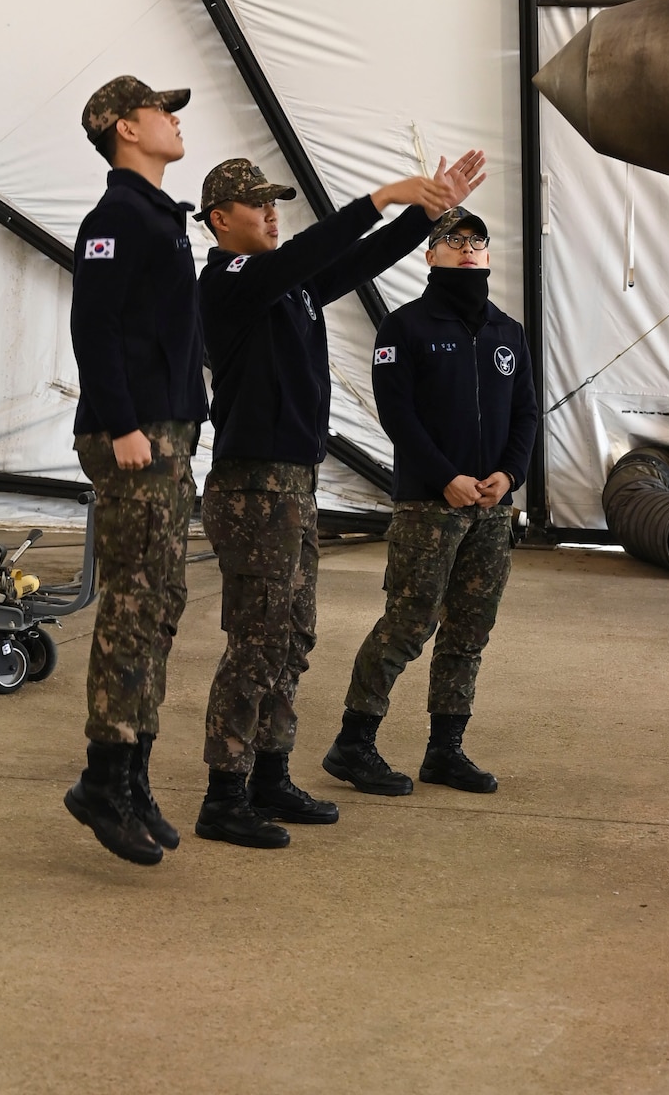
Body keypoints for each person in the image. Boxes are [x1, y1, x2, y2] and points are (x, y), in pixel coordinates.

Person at [194, 150, 486, 849]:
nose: (271, 213)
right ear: (219, 220)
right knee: (256, 642)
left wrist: (427, 214)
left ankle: (270, 774)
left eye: (275, 202)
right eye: (256, 204)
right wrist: (380, 198)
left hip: (293, 484)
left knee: (291, 638)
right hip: (253, 487)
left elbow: (355, 262)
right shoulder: (229, 281)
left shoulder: (285, 285)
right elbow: (311, 252)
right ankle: (223, 795)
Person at [322, 206, 537, 798]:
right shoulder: (405, 328)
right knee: (408, 623)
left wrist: (509, 474)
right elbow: (397, 415)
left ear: (488, 255)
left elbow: (525, 412)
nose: (467, 249)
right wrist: (444, 477)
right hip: (428, 505)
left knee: (469, 629)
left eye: (477, 241)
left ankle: (446, 750)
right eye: (454, 240)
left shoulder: (508, 332)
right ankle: (353, 742)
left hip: (490, 509)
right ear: (431, 254)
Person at [62, 75, 207, 868]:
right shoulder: (116, 217)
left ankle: (134, 774)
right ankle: (102, 779)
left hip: (164, 432)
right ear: (124, 127)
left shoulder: (158, 217)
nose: (175, 122)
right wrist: (121, 423)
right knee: (132, 605)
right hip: (134, 434)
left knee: (158, 604)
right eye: (162, 111)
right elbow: (94, 324)